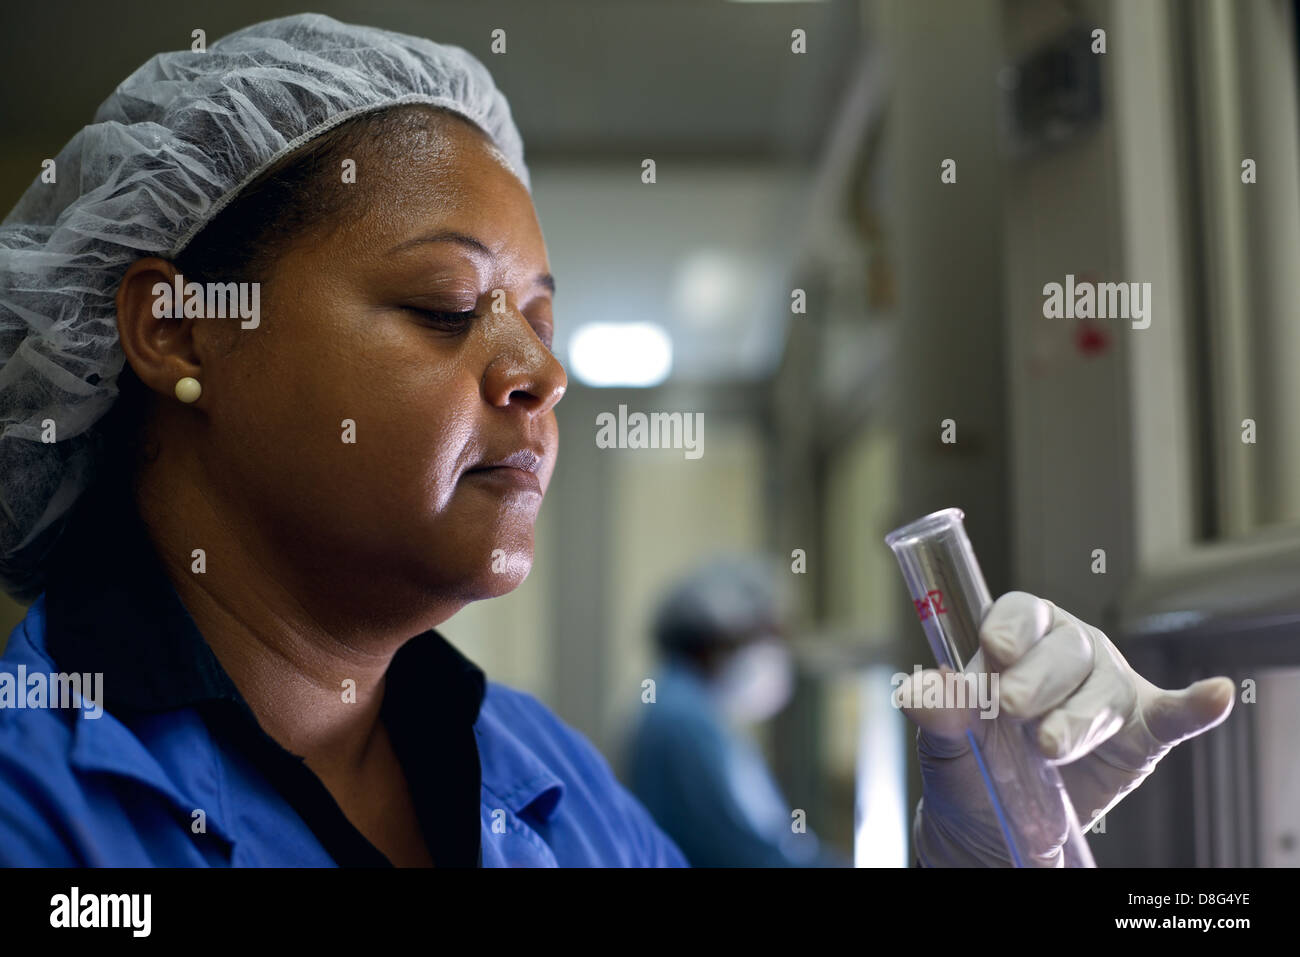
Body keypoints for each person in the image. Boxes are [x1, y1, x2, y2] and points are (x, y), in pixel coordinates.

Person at [0, 13, 1235, 869]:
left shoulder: (539, 777)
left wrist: (985, 855)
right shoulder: (38, 800)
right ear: (180, 331)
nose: (542, 373)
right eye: (445, 308)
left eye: (544, 320)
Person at [624, 555, 849, 866]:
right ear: (719, 636)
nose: (777, 654)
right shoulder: (685, 722)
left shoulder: (685, 707)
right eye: (768, 635)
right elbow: (747, 852)